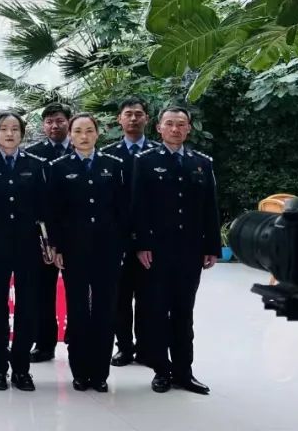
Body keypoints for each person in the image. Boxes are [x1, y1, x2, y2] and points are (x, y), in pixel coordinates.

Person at [133, 106, 219, 395]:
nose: (175, 129)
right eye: (169, 123)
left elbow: (210, 207)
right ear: (159, 128)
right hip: (157, 250)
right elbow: (138, 205)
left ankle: (184, 372)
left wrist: (211, 246)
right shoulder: (145, 161)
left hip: (190, 250)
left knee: (184, 312)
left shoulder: (201, 163)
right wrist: (141, 244)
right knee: (157, 311)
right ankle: (161, 370)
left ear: (189, 128)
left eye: (181, 124)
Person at [47, 113, 128, 393]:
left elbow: (123, 210)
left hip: (107, 249)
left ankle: (100, 373)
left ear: (98, 134)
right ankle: (80, 372)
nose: (84, 136)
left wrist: (121, 245)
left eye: (89, 130)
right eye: (78, 131)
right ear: (70, 135)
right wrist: (56, 246)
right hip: (74, 249)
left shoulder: (113, 165)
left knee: (106, 310)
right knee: (78, 310)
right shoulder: (59, 167)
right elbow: (54, 212)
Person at [0, 111, 47, 392]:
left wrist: (47, 244)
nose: (10, 133)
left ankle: (22, 368)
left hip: (28, 246)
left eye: (15, 129)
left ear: (22, 134)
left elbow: (44, 210)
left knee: (28, 306)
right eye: (4, 128)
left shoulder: (36, 165)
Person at [102, 97, 157, 367]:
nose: (133, 119)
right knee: (120, 297)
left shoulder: (159, 152)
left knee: (149, 297)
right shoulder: (108, 155)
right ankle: (124, 347)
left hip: (152, 238)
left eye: (138, 114)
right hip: (117, 239)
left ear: (147, 118)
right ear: (119, 119)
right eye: (128, 114)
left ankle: (147, 347)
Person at [26, 102, 73, 363]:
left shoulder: (82, 148)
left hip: (76, 233)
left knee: (78, 290)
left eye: (59, 120)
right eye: (49, 121)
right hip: (42, 235)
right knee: (42, 291)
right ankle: (44, 343)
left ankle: (77, 339)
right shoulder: (33, 155)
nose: (54, 126)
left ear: (69, 122)